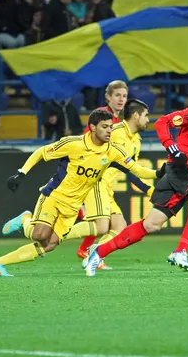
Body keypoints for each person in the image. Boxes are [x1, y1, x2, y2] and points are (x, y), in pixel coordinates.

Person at [84, 73, 188, 276]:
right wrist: (171, 147)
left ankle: (98, 253)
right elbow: (163, 122)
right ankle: (181, 251)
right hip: (183, 165)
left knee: (151, 224)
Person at [0, 108, 163, 277]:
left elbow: (137, 170)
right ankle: (25, 220)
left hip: (72, 207)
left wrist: (158, 173)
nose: (109, 131)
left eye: (110, 127)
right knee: (40, 235)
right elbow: (42, 152)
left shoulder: (112, 152)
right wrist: (22, 172)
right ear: (92, 127)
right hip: (54, 196)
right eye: (104, 127)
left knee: (49, 244)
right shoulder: (73, 144)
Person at [64, 99, 163, 270]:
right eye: (146, 115)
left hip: (106, 188)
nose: (148, 120)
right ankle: (57, 234)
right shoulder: (114, 131)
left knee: (118, 226)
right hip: (96, 183)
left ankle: (93, 254)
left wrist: (149, 190)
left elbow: (131, 170)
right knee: (101, 227)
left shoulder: (136, 141)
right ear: (136, 115)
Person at [77, 80, 127, 257]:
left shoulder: (114, 119)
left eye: (124, 96)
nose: (121, 99)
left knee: (107, 223)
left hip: (100, 175)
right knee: (103, 223)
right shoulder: (102, 116)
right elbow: (87, 142)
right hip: (92, 174)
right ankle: (92, 253)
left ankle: (87, 251)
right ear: (108, 97)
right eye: (117, 95)